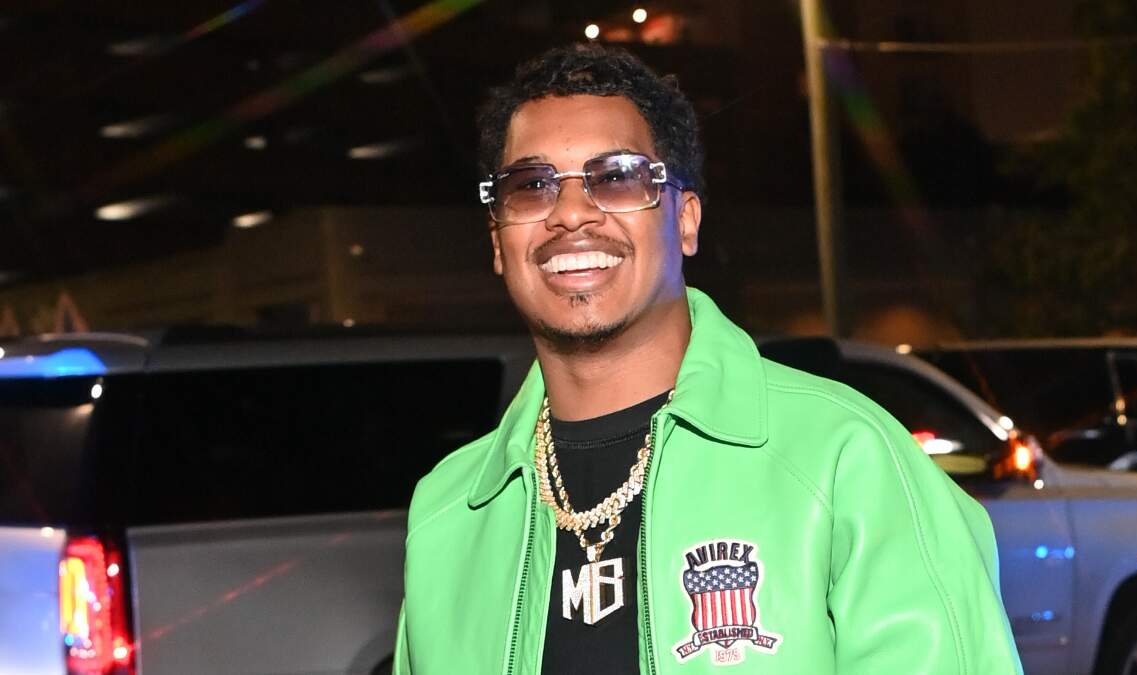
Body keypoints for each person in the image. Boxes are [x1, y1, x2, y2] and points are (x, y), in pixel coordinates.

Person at [395, 44, 1021, 674]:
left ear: (686, 220)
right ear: (498, 239)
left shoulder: (846, 460)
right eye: (532, 187)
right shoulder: (448, 514)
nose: (572, 213)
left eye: (617, 177)